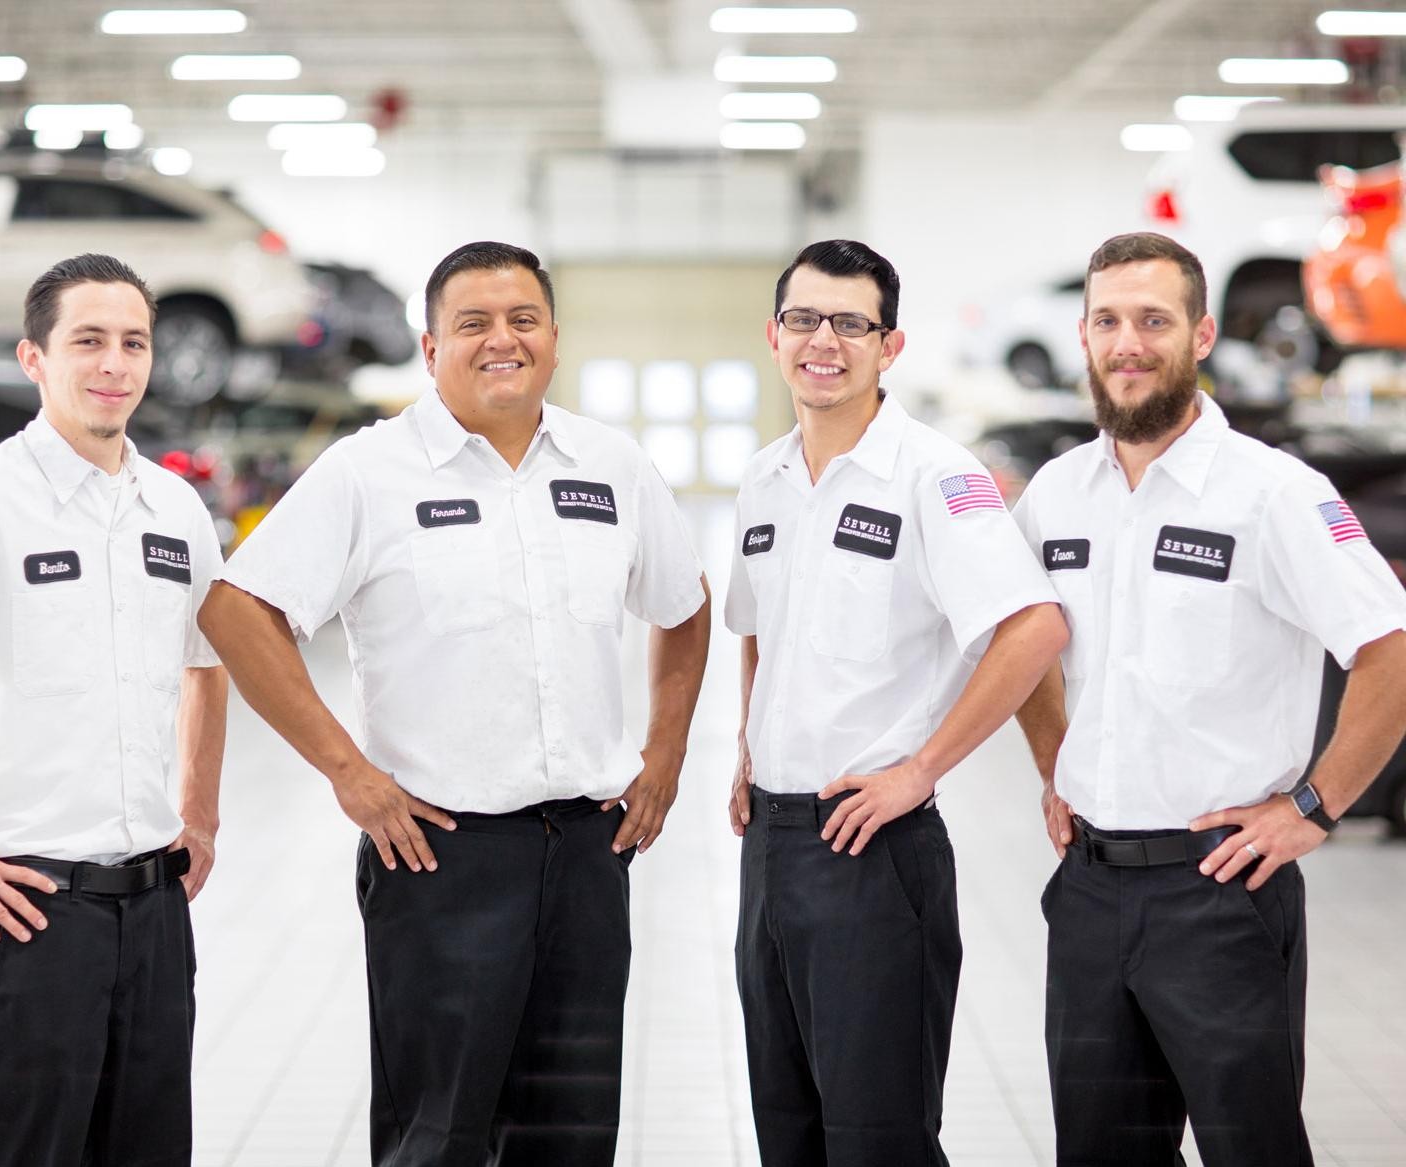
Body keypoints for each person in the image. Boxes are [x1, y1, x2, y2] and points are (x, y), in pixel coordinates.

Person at [197, 240, 711, 1166]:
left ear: (554, 337)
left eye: (523, 319)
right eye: (472, 322)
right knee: (437, 1135)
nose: (501, 339)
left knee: (573, 1130)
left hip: (591, 856)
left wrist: (665, 754)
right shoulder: (370, 471)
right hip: (442, 856)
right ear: (431, 349)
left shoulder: (612, 464)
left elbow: (684, 605)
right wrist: (348, 772)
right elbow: (238, 610)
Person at [1013, 231, 1406, 1167]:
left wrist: (1315, 807)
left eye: (1154, 319)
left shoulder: (1275, 494)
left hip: (1221, 892)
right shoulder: (1057, 496)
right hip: (1090, 892)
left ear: (1200, 336)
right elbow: (1020, 648)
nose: (1128, 342)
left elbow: (1390, 649)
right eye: (1108, 320)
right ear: (1084, 335)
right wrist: (1053, 764)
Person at [0, 252, 228, 1166]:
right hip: (29, 913)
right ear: (35, 358)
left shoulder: (173, 507)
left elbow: (207, 661)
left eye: (133, 342)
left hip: (153, 913)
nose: (114, 363)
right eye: (88, 340)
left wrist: (202, 814)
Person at [724, 239, 1068, 1165]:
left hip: (873, 851)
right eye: (804, 319)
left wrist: (920, 770)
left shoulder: (934, 476)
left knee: (878, 1138)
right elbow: (758, 624)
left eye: (850, 322)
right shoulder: (765, 477)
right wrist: (748, 750)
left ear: (891, 344)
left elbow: (1033, 627)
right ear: (774, 334)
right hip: (772, 849)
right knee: (787, 1127)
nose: (823, 340)